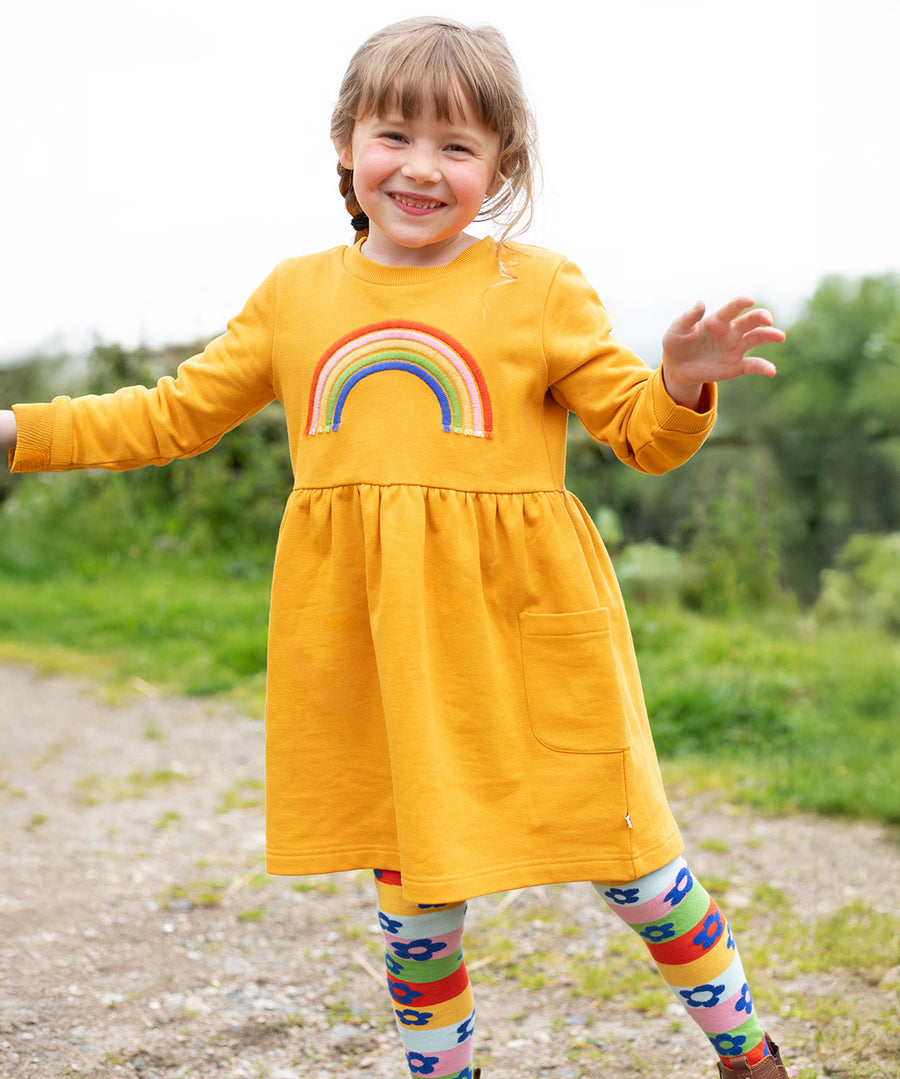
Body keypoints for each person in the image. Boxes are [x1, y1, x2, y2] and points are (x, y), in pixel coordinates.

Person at [0, 16, 790, 1079]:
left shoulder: (541, 286)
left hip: (530, 635)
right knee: (418, 896)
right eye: (395, 136)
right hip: (379, 643)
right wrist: (19, 432)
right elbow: (169, 416)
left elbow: (644, 438)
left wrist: (683, 378)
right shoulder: (295, 294)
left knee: (634, 859)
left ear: (500, 168)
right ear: (345, 145)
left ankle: (749, 1051)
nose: (421, 168)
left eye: (458, 147)